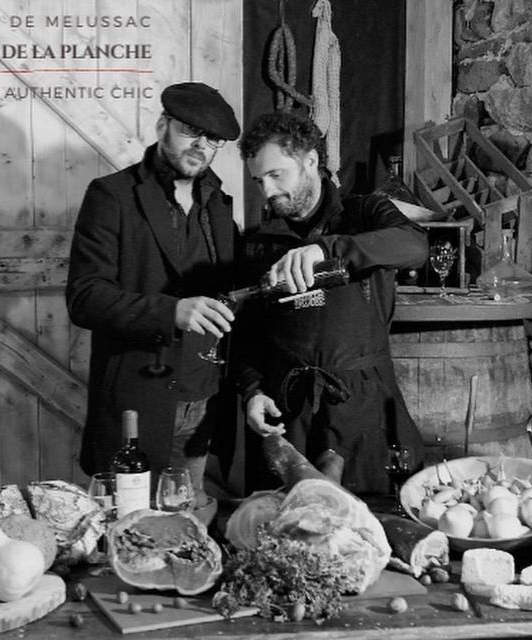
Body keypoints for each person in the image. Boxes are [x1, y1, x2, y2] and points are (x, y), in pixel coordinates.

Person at [233, 109, 427, 494]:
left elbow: (415, 246)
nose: (267, 191)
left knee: (372, 529)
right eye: (259, 180)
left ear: (310, 161)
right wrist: (253, 392)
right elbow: (248, 338)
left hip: (364, 405)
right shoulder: (260, 242)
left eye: (276, 175)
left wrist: (325, 248)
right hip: (289, 414)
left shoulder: (365, 212)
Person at [66, 82, 241, 508]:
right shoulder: (111, 196)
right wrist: (171, 312)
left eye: (212, 140)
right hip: (136, 401)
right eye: (190, 132)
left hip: (202, 401)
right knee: (128, 524)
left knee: (187, 521)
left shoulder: (219, 204)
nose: (201, 146)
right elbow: (85, 297)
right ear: (162, 125)